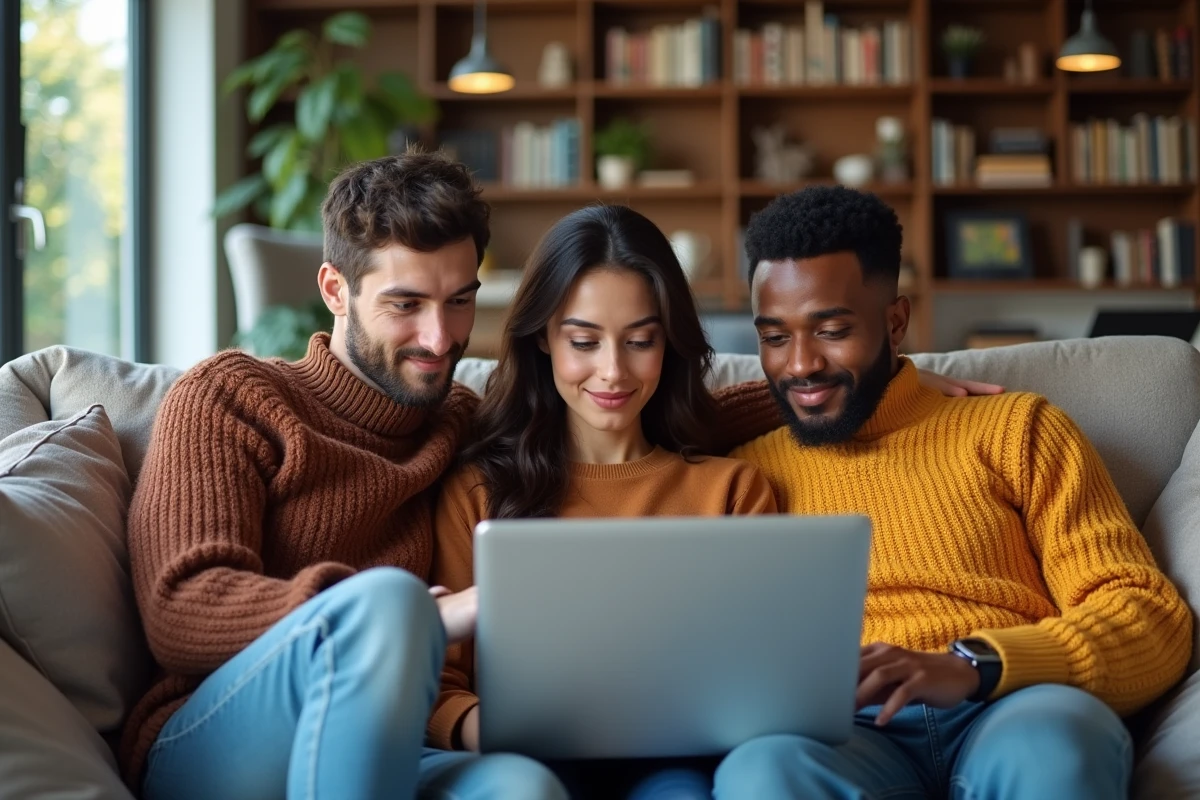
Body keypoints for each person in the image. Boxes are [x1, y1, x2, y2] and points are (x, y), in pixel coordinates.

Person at [713, 185, 1194, 799]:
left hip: (1011, 702)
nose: (800, 364)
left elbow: (1148, 616)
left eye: (831, 330)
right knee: (761, 773)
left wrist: (976, 664)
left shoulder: (1016, 428)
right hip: (847, 734)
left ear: (895, 323)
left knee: (1057, 747)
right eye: (775, 338)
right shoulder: (746, 472)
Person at [121, 151, 568, 800]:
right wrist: (399, 616)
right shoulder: (232, 396)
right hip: (214, 737)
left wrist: (775, 381)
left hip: (394, 738)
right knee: (387, 600)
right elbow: (180, 606)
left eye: (459, 301)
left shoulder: (460, 420)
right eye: (406, 304)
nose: (440, 338)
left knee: (522, 786)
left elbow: (621, 409)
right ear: (335, 290)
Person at [427, 204, 777, 798]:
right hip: (524, 761)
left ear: (670, 344)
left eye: (640, 341)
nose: (612, 372)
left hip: (679, 762)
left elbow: (763, 676)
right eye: (584, 342)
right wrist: (492, 730)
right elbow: (437, 680)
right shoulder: (479, 491)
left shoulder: (733, 491)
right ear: (542, 337)